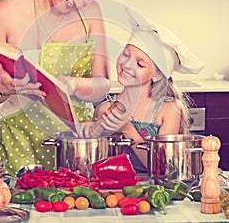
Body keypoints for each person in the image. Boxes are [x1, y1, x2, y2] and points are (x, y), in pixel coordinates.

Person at [0, 0, 117, 175]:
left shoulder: (93, 15)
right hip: (19, 144)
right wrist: (3, 88)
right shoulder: (4, 13)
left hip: (77, 147)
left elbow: (102, 85)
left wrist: (71, 84)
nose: (81, 2)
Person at [79, 23, 204, 172]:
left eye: (139, 64)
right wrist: (91, 132)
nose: (127, 64)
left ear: (157, 75)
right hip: (115, 191)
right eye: (125, 54)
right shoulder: (105, 108)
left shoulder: (168, 109)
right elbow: (95, 164)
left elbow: (162, 167)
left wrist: (126, 127)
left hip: (154, 189)